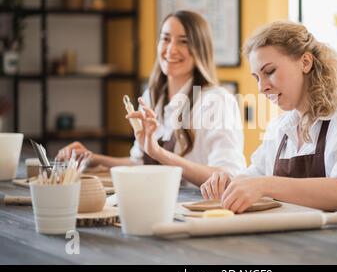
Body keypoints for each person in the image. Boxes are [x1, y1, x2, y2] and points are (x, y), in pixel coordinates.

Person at [200, 21, 337, 223]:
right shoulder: (281, 127)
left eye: (269, 72)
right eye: (256, 77)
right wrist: (228, 182)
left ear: (305, 62)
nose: (261, 88)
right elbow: (254, 176)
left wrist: (264, 185)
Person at [57, 10, 246, 186]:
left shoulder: (216, 101)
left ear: (200, 49)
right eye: (165, 39)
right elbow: (139, 163)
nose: (171, 49)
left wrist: (160, 154)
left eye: (183, 41)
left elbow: (228, 176)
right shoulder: (152, 97)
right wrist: (92, 159)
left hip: (198, 212)